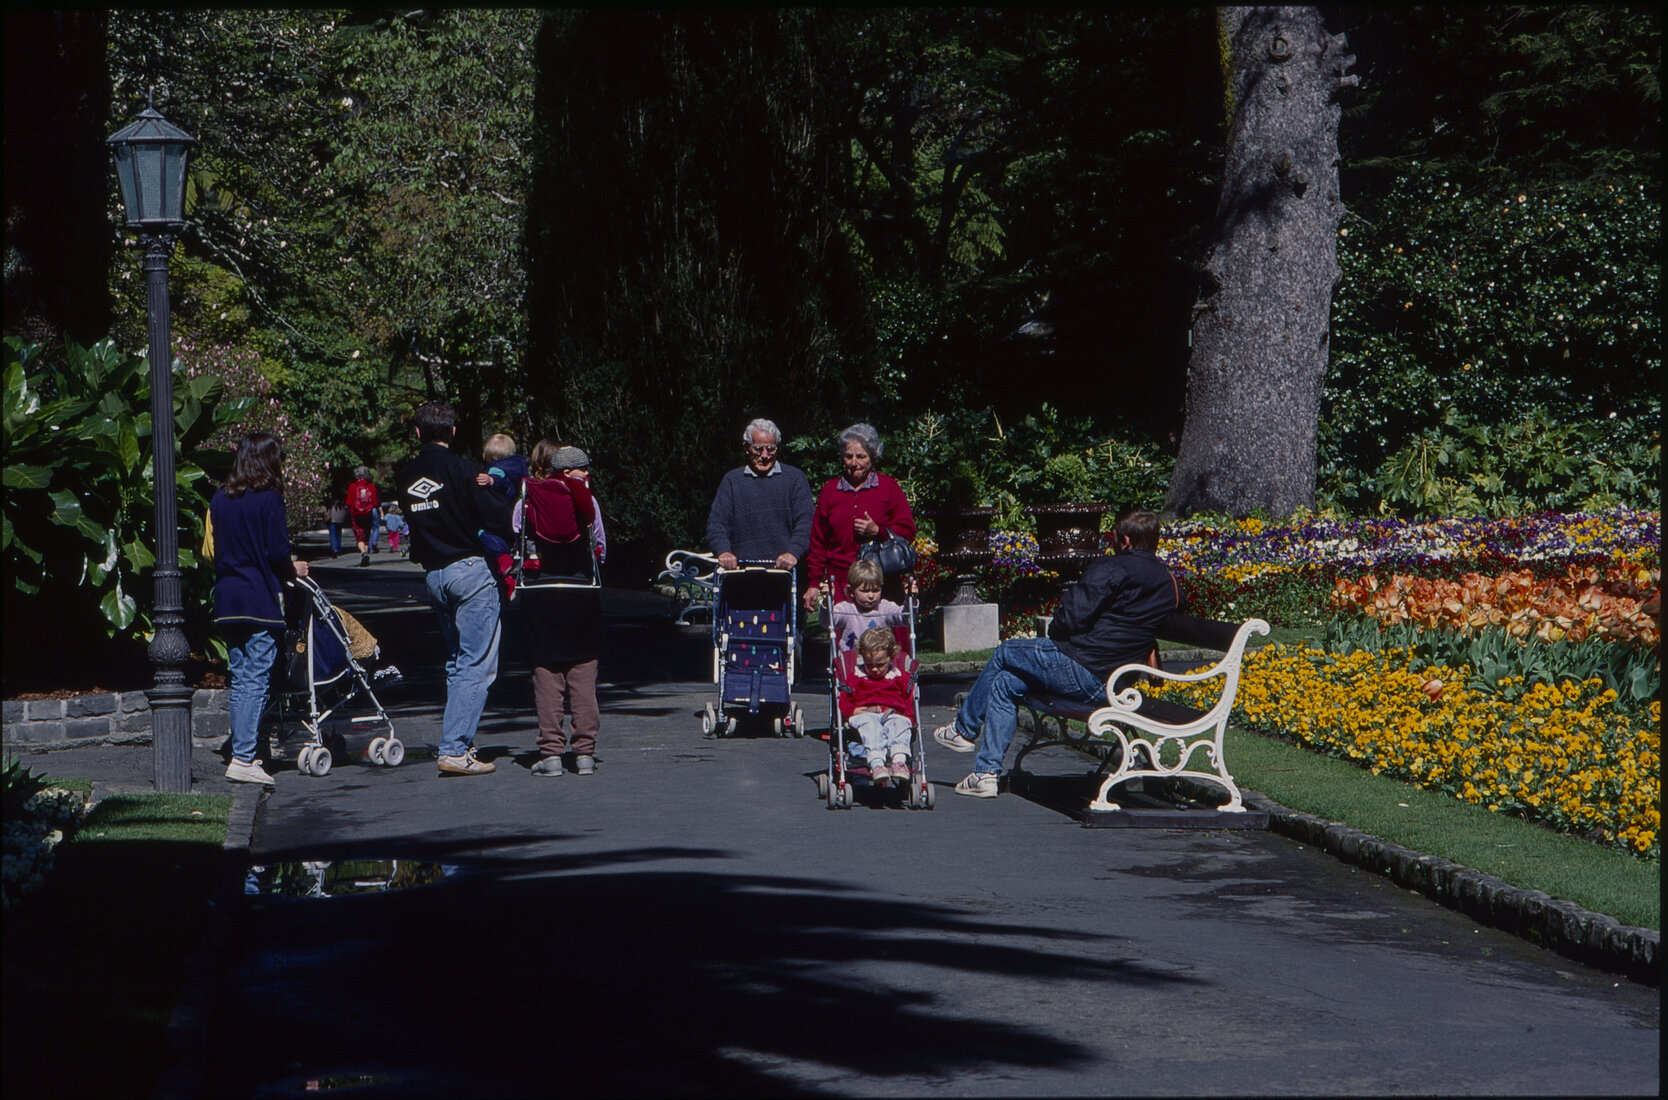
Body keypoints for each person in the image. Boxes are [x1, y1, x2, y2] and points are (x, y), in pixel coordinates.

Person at [932, 508, 1181, 798]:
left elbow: (1067, 620)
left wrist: (1068, 634)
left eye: (1113, 537)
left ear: (1124, 540)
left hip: (1084, 670)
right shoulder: (1168, 581)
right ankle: (985, 774)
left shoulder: (1111, 568)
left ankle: (963, 730)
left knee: (1006, 651)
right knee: (1005, 682)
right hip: (1118, 684)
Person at [395, 402, 514, 777]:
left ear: (417, 433)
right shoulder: (464, 471)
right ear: (453, 431)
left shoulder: (405, 477)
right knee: (476, 664)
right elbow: (500, 516)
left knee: (456, 661)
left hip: (434, 574)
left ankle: (457, 739)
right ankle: (455, 747)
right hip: (469, 569)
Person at [210, 432, 310, 785]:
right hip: (259, 598)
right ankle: (244, 757)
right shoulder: (270, 499)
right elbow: (276, 551)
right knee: (256, 679)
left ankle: (242, 750)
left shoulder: (219, 499)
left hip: (227, 596)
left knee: (240, 679)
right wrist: (293, 570)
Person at [520, 441, 605, 776]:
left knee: (547, 675)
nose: (587, 475)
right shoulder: (588, 502)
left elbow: (518, 537)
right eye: (583, 469)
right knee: (583, 674)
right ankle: (584, 752)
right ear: (568, 472)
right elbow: (600, 546)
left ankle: (551, 752)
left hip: (540, 592)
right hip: (581, 591)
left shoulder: (528, 497)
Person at [803, 422, 916, 612]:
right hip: (841, 582)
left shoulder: (888, 487)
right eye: (849, 456)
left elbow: (908, 531)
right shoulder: (830, 491)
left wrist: (879, 532)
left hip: (882, 581)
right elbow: (818, 541)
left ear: (872, 457)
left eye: (861, 456)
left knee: (886, 640)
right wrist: (814, 583)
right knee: (847, 639)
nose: (854, 463)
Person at [705, 417, 813, 572]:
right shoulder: (732, 481)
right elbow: (717, 523)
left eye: (771, 449)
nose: (764, 455)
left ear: (778, 447)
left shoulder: (795, 478)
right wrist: (723, 551)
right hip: (740, 572)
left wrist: (793, 552)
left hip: (784, 572)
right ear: (746, 447)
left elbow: (806, 523)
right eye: (758, 449)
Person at [841, 626, 916, 786]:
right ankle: (876, 764)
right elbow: (844, 694)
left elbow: (909, 697)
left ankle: (899, 761)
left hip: (892, 714)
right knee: (871, 726)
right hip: (864, 713)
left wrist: (909, 717)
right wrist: (851, 711)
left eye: (880, 665)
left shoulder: (901, 678)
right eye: (869, 664)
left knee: (900, 724)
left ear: (892, 657)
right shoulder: (856, 677)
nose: (874, 669)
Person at [473, 433, 531, 599]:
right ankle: (508, 582)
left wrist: (491, 480)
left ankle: (503, 559)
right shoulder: (518, 467)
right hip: (513, 513)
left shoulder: (495, 468)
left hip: (499, 515)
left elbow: (501, 479)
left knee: (482, 533)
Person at [822, 558, 915, 654]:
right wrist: (827, 602)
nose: (871, 596)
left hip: (880, 662)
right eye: (864, 591)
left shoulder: (885, 608)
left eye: (875, 590)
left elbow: (906, 618)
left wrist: (910, 599)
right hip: (852, 663)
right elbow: (827, 622)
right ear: (851, 590)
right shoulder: (846, 609)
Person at [346, 465, 380, 567]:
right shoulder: (371, 486)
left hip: (356, 514)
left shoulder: (352, 486)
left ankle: (363, 553)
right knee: (366, 533)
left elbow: (348, 502)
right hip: (368, 513)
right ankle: (366, 552)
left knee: (359, 535)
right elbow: (375, 502)